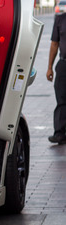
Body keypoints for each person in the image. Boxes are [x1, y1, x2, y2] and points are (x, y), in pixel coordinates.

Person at [47, 13, 66, 144]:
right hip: (63, 64)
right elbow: (54, 43)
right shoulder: (60, 19)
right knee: (61, 98)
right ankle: (59, 133)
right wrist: (50, 67)